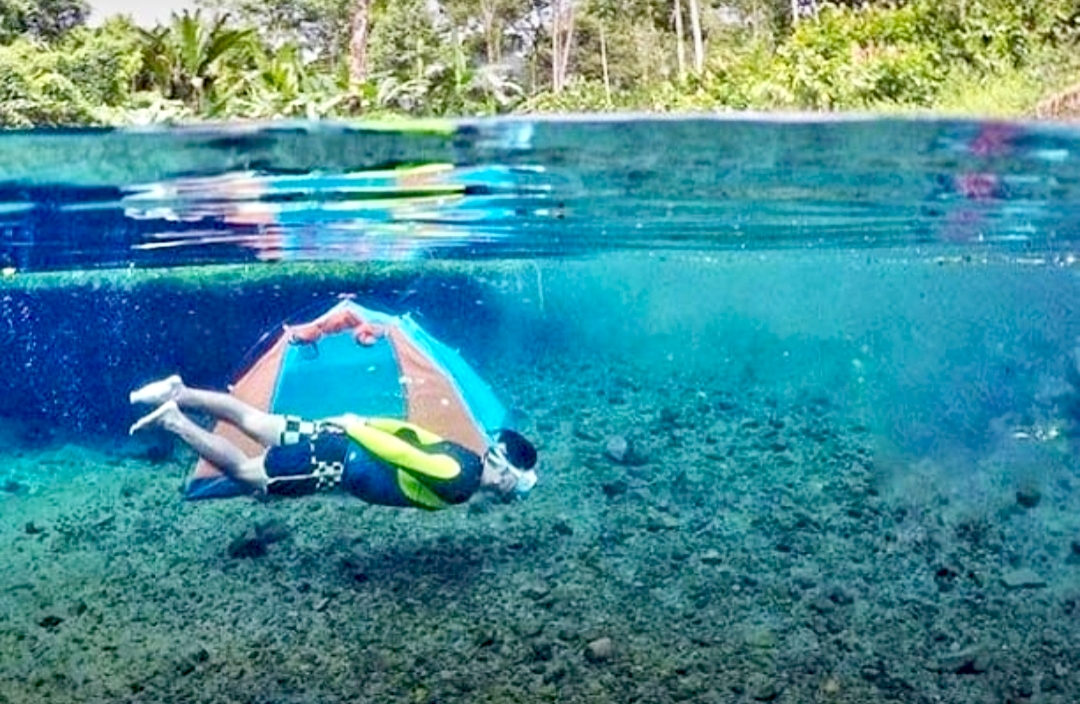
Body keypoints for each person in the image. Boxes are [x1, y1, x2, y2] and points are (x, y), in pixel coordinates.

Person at [128, 375, 538, 509]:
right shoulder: (460, 478)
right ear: (502, 467)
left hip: (340, 441)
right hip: (337, 460)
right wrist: (355, 428)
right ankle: (174, 420)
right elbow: (402, 450)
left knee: (255, 420)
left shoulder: (465, 453)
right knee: (248, 474)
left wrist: (356, 421)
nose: (510, 491)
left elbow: (409, 433)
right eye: (514, 482)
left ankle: (179, 391)